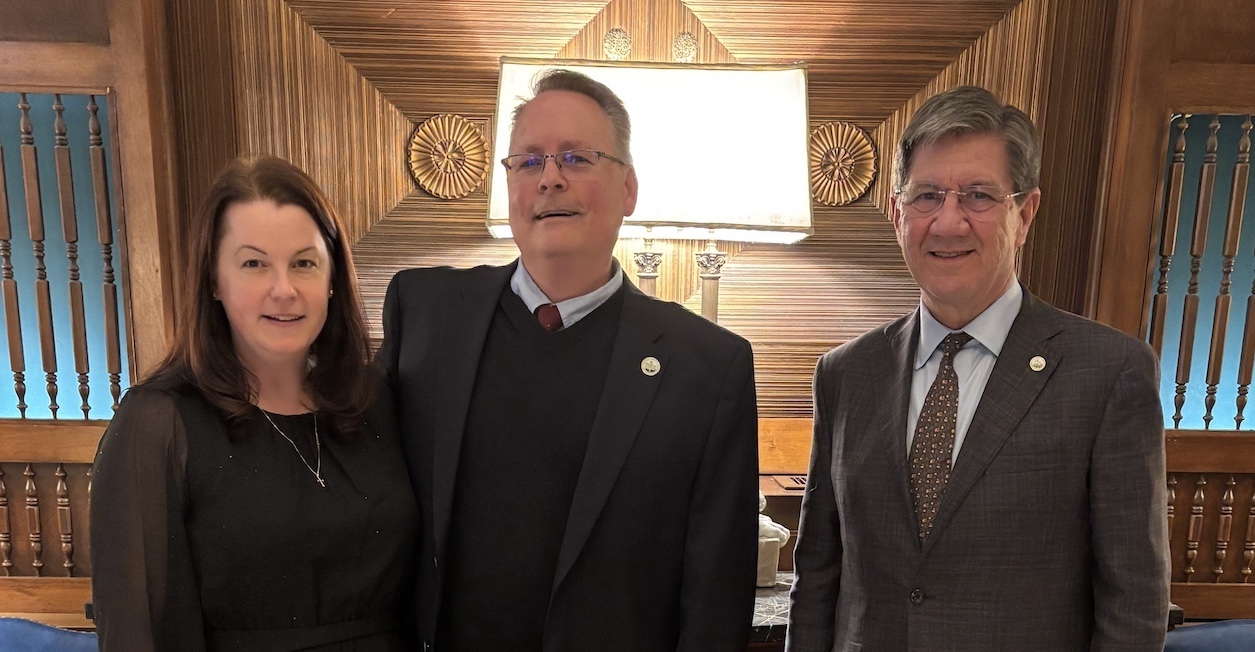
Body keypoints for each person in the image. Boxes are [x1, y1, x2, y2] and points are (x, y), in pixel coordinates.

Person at [378, 69, 759, 652]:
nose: (549, 178)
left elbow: (715, 597)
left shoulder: (709, 367)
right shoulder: (425, 315)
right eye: (528, 161)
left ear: (629, 189)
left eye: (577, 158)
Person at [787, 86, 1169, 651]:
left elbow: (1133, 603)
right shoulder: (845, 374)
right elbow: (818, 577)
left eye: (979, 196)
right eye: (927, 196)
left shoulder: (1108, 373)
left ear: (1025, 213)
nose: (948, 222)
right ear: (897, 214)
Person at [91, 155, 418, 651]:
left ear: (332, 278)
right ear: (214, 283)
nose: (283, 289)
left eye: (303, 263)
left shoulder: (376, 403)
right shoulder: (158, 421)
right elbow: (138, 630)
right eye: (253, 263)